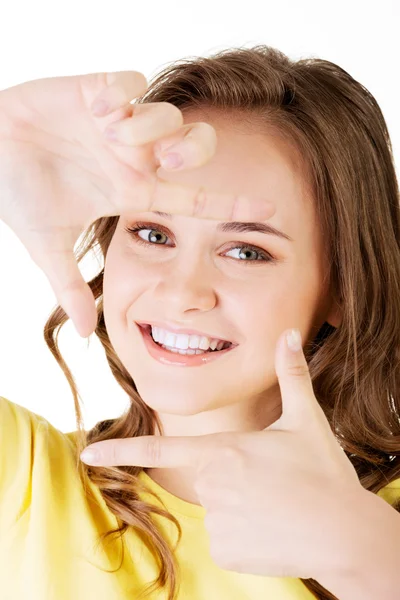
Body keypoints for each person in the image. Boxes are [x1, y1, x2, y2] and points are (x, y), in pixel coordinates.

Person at [0, 44, 399, 600]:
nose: (182, 292)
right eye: (154, 234)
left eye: (246, 251)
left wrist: (371, 557)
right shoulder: (22, 477)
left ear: (341, 287)